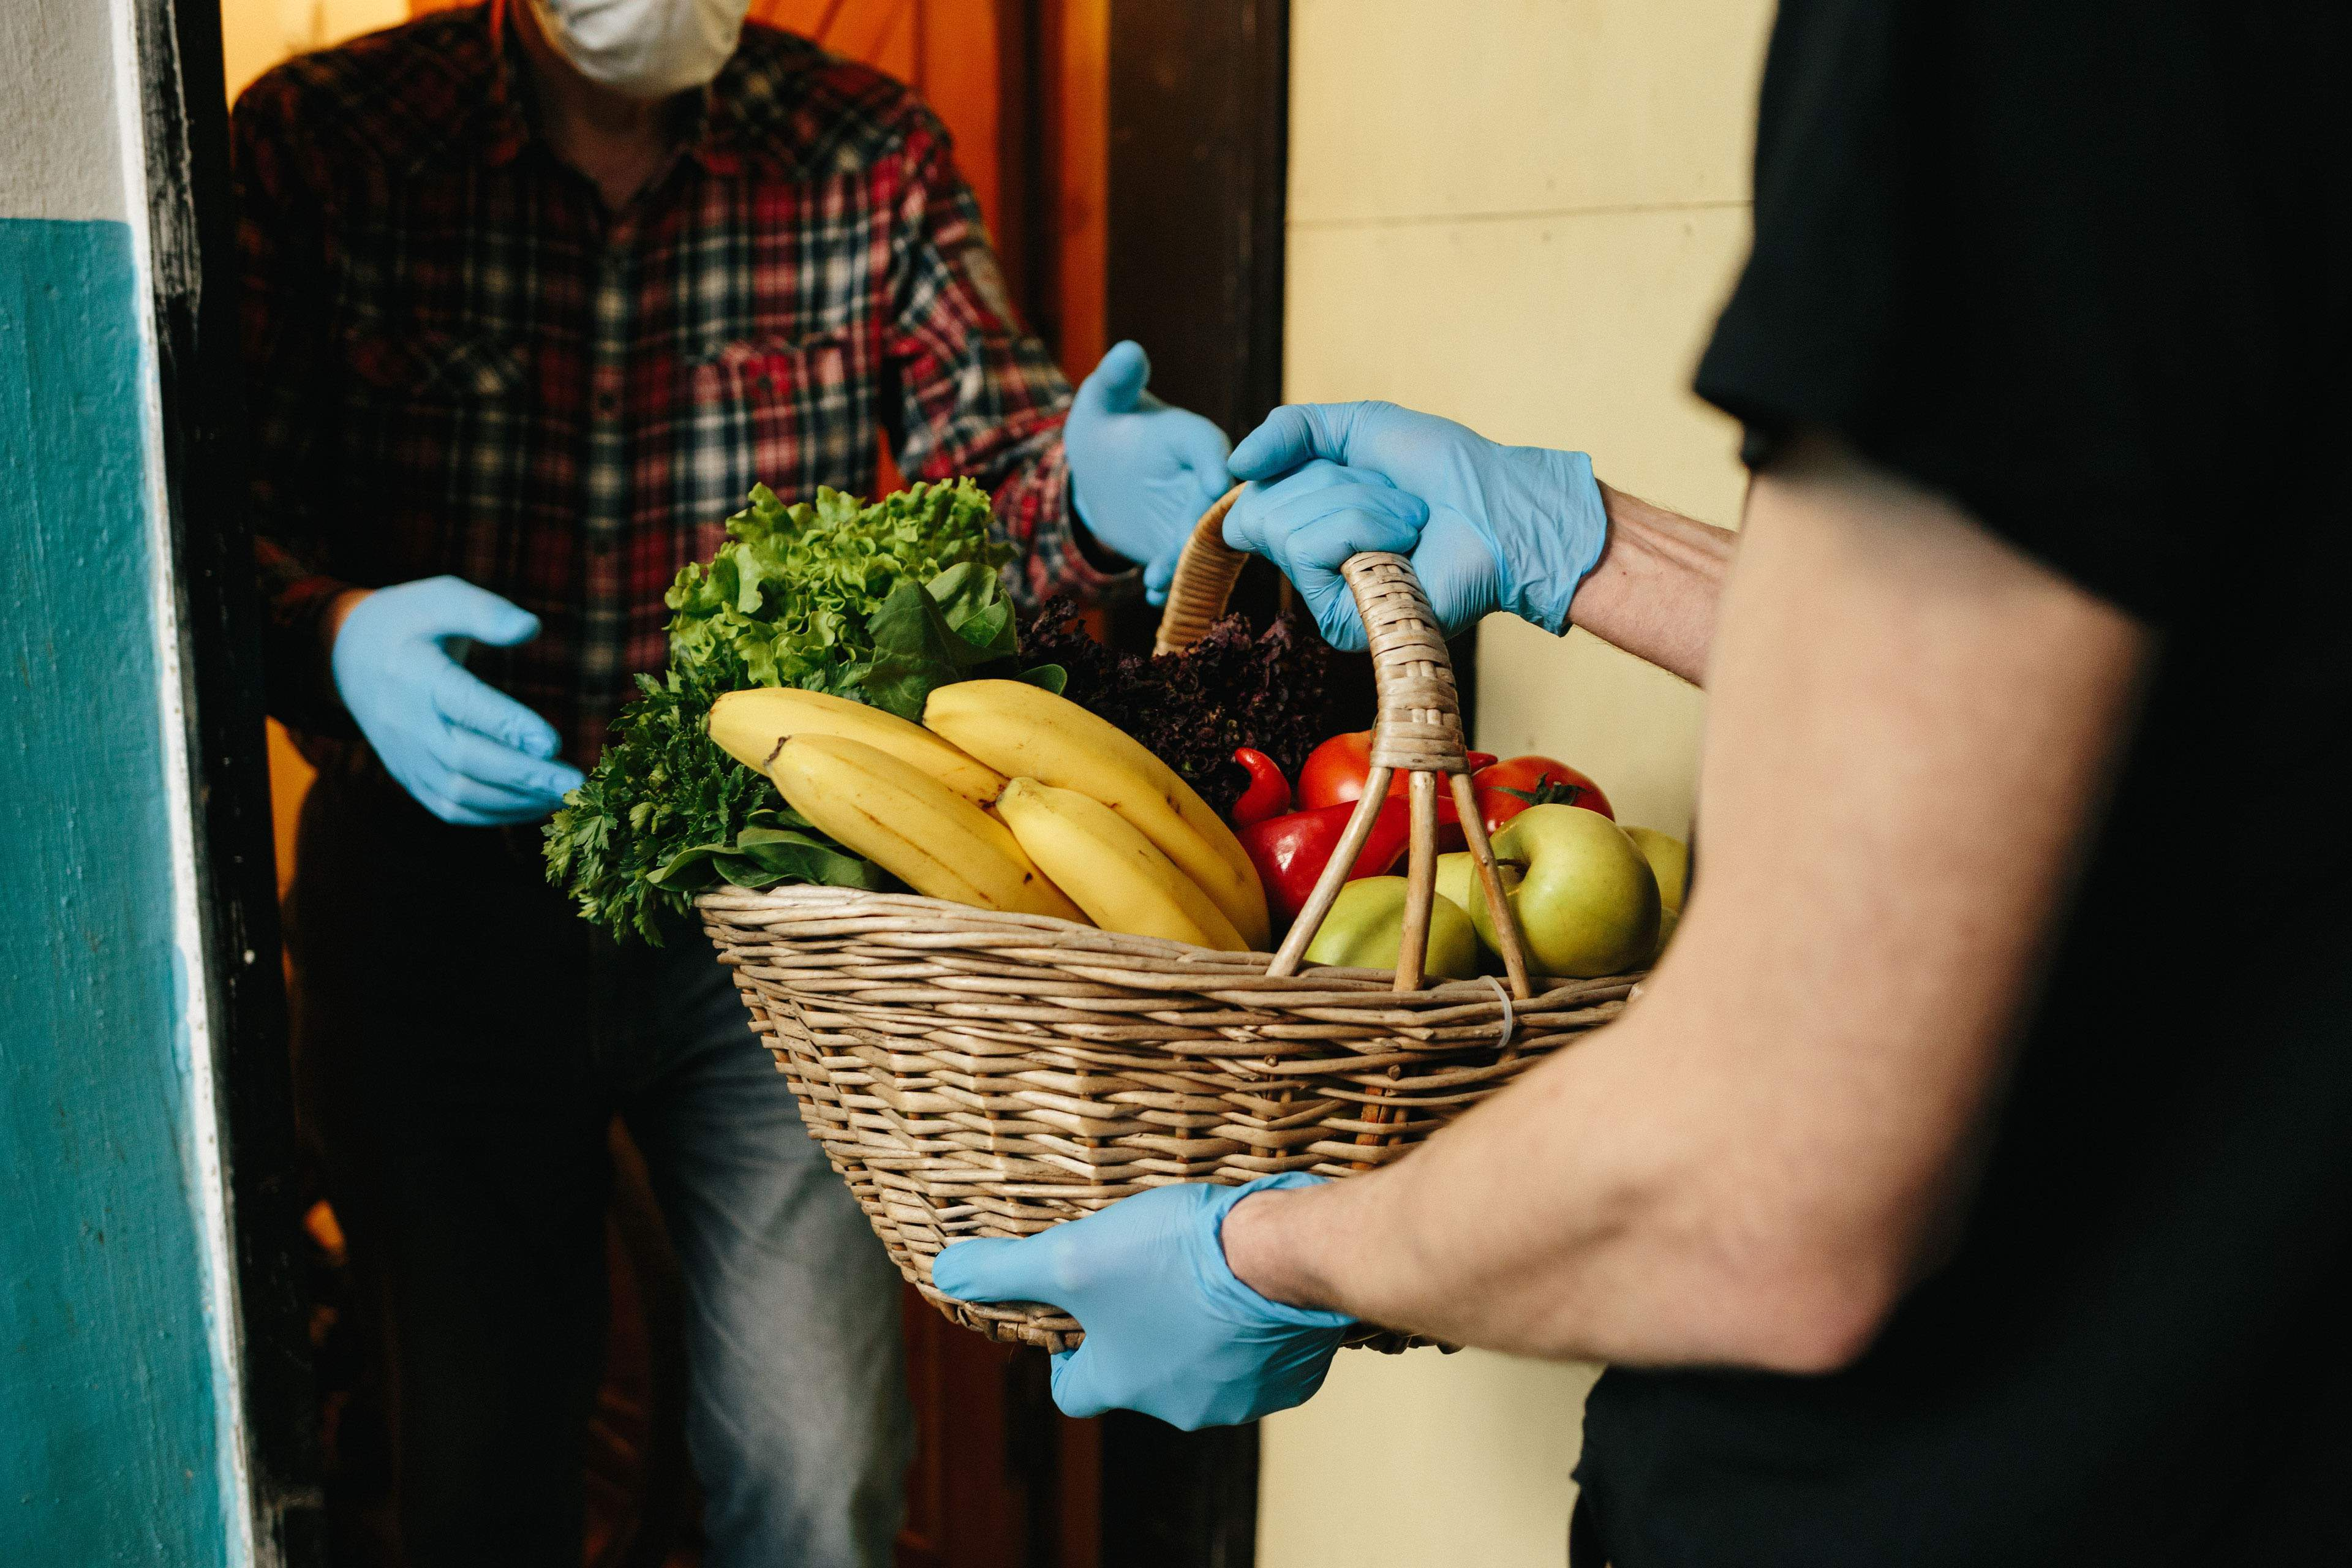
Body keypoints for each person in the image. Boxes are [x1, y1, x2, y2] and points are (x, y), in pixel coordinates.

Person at [934, 2, 2352, 1562]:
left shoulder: (2041, 50)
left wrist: (1264, 1249)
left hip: (1962, 1480)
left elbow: (1774, 1193)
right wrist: (1587, 539)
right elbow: (2185, 709)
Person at [232, 0, 1230, 1561]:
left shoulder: (866, 149)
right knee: (475, 1459)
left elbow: (999, 451)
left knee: (820, 1464)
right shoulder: (323, 142)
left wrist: (1087, 493)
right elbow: (195, 507)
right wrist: (333, 635)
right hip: (435, 917)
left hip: (778, 916)